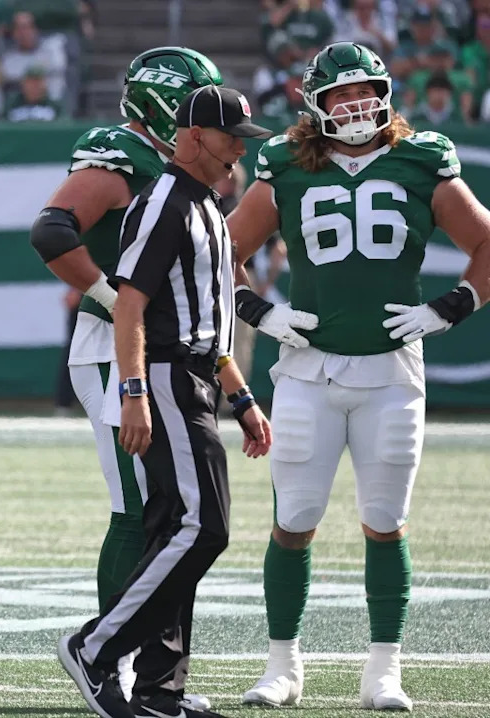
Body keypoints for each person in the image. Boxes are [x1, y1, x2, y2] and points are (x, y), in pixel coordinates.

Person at [227, 42, 490, 711]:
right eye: (340, 94)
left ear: (386, 92)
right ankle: (282, 665)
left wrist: (451, 306)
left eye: (365, 89)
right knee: (295, 517)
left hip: (392, 371)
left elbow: (486, 243)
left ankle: (384, 670)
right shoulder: (283, 163)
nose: (354, 104)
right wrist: (257, 309)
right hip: (308, 370)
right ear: (316, 102)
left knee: (384, 518)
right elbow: (219, 252)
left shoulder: (421, 158)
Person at [56, 85, 274, 718]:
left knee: (175, 533)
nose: (240, 149)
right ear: (194, 136)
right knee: (203, 526)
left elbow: (210, 320)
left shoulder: (207, 204)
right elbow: (130, 304)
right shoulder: (165, 203)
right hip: (168, 380)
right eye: (231, 136)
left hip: (199, 378)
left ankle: (159, 691)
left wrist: (241, 394)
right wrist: (133, 392)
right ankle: (94, 648)